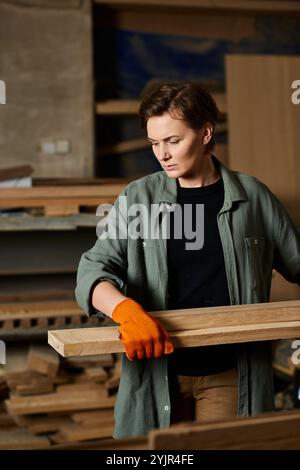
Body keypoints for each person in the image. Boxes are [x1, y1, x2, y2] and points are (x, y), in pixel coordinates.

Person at [75, 82, 300, 439]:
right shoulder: (139, 198)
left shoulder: (252, 197)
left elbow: (297, 261)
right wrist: (125, 311)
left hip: (231, 371)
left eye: (173, 141)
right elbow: (94, 270)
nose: (162, 154)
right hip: (157, 370)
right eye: (154, 143)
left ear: (206, 132)